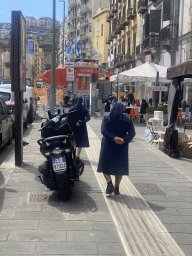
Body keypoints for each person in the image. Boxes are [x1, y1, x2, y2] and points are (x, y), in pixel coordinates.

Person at [97, 102, 136, 195]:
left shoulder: (107, 118)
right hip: (121, 146)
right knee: (119, 167)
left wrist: (114, 138)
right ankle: (117, 188)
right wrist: (124, 139)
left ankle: (109, 182)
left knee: (104, 164)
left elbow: (103, 130)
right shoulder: (127, 119)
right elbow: (132, 133)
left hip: (108, 144)